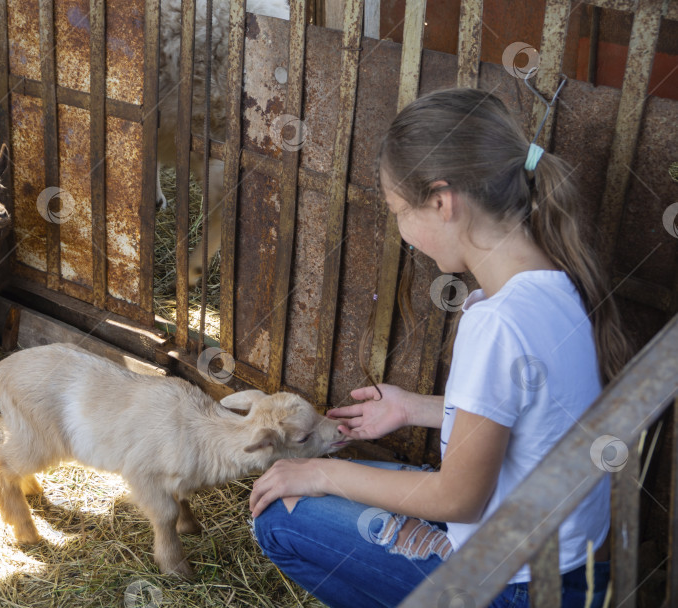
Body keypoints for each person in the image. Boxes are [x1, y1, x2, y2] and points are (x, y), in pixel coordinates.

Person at [249, 88, 632, 608]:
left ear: (441, 201)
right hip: (576, 569)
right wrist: (413, 407)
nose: (405, 235)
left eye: (400, 213)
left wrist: (320, 470)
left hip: (515, 585)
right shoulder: (558, 280)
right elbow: (534, 416)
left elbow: (460, 499)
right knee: (341, 485)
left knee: (282, 512)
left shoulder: (496, 323)